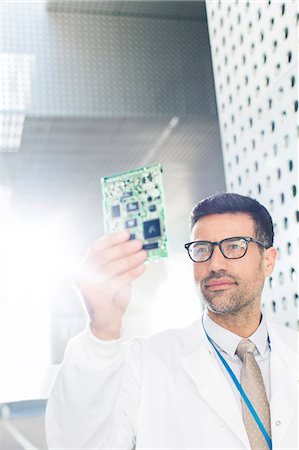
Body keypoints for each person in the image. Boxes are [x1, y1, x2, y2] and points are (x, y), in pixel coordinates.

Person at [46, 192, 298, 450]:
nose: (215, 264)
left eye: (234, 246)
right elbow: (76, 443)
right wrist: (102, 331)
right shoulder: (143, 364)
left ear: (268, 261)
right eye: (202, 249)